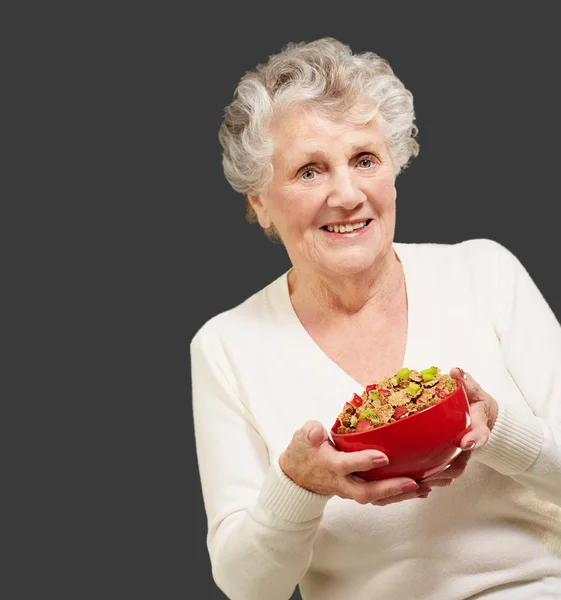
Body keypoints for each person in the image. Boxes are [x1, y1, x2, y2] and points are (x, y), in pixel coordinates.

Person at [190, 37, 561, 600]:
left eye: (365, 160)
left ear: (394, 169)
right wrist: (297, 485)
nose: (346, 193)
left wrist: (498, 430)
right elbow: (247, 586)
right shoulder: (226, 346)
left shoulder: (486, 273)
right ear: (260, 201)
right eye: (309, 171)